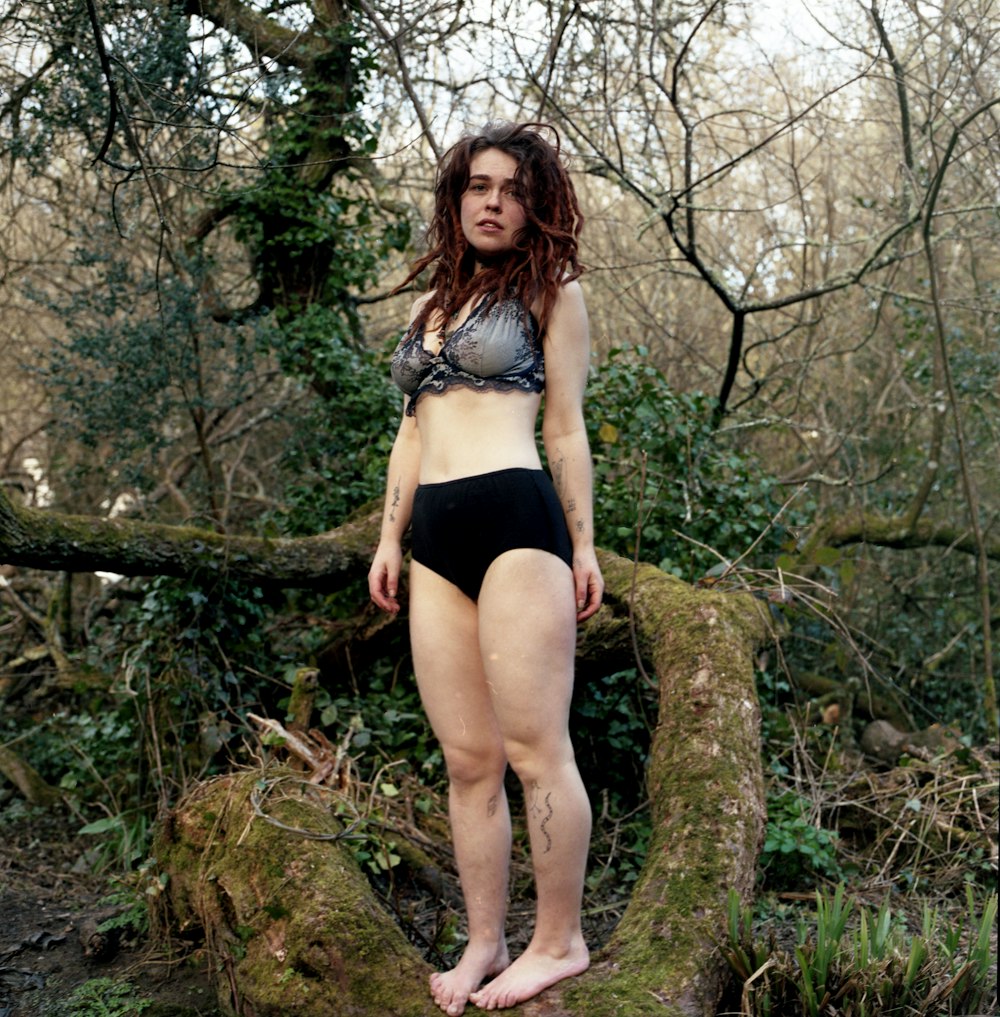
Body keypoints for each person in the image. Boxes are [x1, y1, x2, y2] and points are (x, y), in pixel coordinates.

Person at [368, 121, 603, 1016]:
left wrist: (582, 546)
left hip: (516, 522)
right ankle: (485, 942)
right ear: (456, 198)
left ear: (533, 200)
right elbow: (411, 431)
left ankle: (560, 940)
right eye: (477, 186)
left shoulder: (555, 293)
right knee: (468, 760)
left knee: (536, 750)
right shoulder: (432, 310)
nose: (492, 201)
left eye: (509, 188)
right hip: (437, 537)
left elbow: (567, 428)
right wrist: (390, 540)